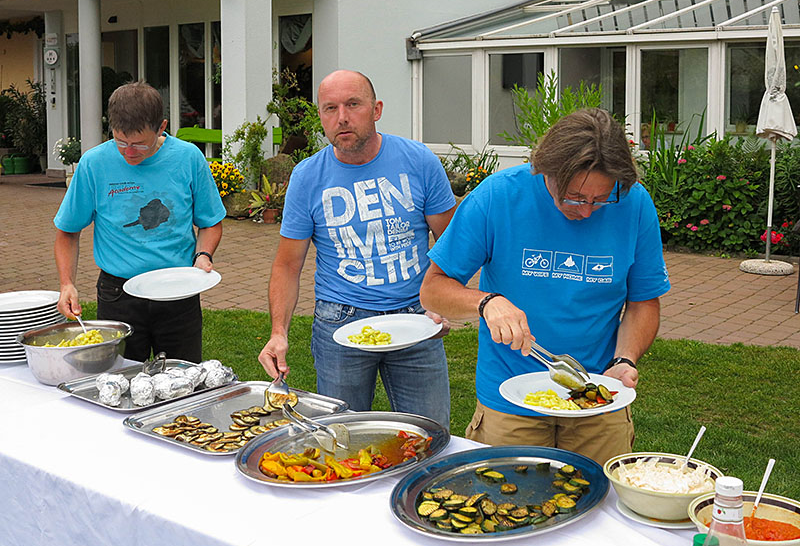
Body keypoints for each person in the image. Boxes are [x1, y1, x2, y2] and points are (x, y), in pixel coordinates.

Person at [419, 108, 671, 465]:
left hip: (597, 396)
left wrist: (623, 359)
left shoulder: (634, 203)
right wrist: (488, 302)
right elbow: (433, 289)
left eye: (600, 200)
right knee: (507, 509)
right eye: (573, 198)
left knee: (601, 510)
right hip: (510, 397)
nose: (586, 212)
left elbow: (644, 302)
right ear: (547, 171)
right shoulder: (498, 197)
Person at [258, 69, 456, 428]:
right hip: (340, 323)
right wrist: (278, 333)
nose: (342, 118)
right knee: (342, 438)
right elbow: (287, 266)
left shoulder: (419, 161)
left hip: (416, 319)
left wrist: (441, 306)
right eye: (329, 108)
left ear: (376, 109)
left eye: (353, 104)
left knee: (430, 435)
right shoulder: (307, 177)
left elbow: (451, 246)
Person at [53, 81, 225, 363]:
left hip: (178, 291)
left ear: (161, 127)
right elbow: (68, 232)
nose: (129, 152)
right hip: (117, 294)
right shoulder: (93, 164)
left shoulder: (188, 158)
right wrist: (66, 284)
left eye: (139, 144)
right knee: (118, 382)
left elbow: (210, 222)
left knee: (183, 381)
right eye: (121, 142)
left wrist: (203, 255)